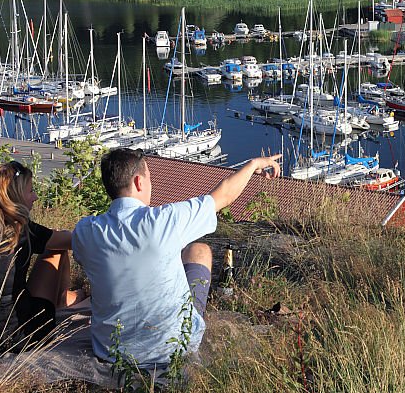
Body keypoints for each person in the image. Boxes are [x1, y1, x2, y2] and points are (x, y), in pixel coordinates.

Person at [72, 148, 281, 369]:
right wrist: (253, 164)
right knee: (199, 250)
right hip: (173, 349)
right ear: (138, 182)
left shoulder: (86, 232)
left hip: (111, 351)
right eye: (150, 179)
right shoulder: (164, 220)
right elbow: (225, 195)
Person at [0, 160, 84, 352]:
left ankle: (66, 298)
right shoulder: (20, 230)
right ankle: (62, 300)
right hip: (15, 338)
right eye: (31, 191)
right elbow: (71, 240)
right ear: (14, 198)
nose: (35, 197)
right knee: (55, 247)